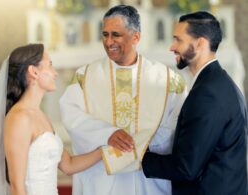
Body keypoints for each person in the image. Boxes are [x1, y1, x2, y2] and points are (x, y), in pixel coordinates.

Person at [60, 5, 186, 195]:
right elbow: (72, 116)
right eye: (105, 34)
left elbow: (178, 122)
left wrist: (141, 144)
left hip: (147, 179)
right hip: (103, 179)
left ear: (136, 37)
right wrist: (106, 134)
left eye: (116, 35)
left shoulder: (166, 78)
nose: (109, 41)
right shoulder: (85, 76)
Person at [142, 11, 248, 195]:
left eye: (178, 40)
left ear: (200, 43)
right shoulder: (220, 83)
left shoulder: (208, 94)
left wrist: (139, 158)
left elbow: (185, 168)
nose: (172, 47)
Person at [0, 44, 102, 195]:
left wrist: (105, 151)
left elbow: (68, 165)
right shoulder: (19, 118)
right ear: (33, 71)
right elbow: (17, 186)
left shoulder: (41, 115)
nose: (55, 73)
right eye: (50, 65)